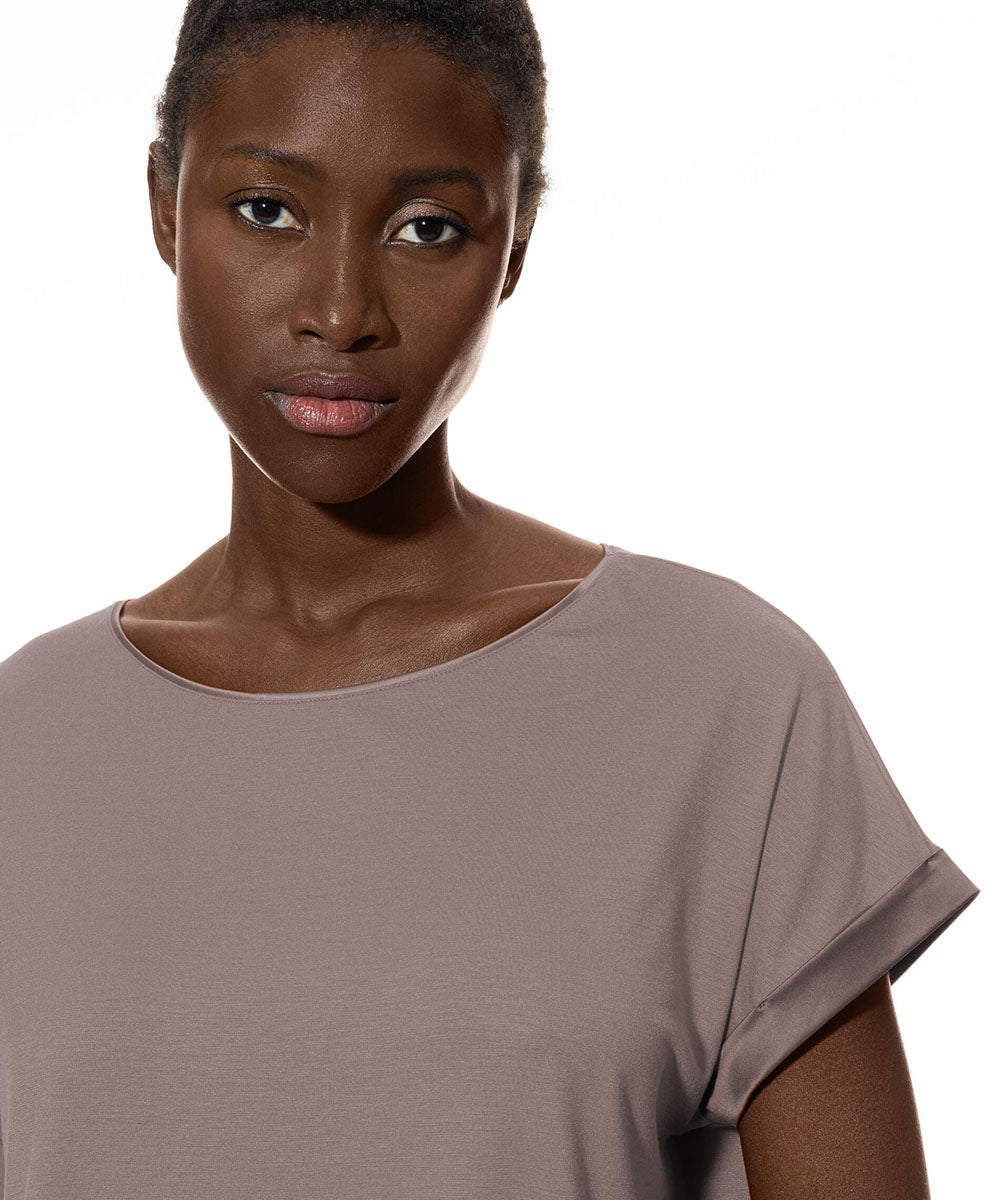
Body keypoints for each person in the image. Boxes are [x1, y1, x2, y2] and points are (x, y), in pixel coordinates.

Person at [0, 2, 980, 1198]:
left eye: (428, 227)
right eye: (267, 210)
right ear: (163, 203)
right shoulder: (24, 742)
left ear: (513, 245)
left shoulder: (718, 702)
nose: (341, 310)